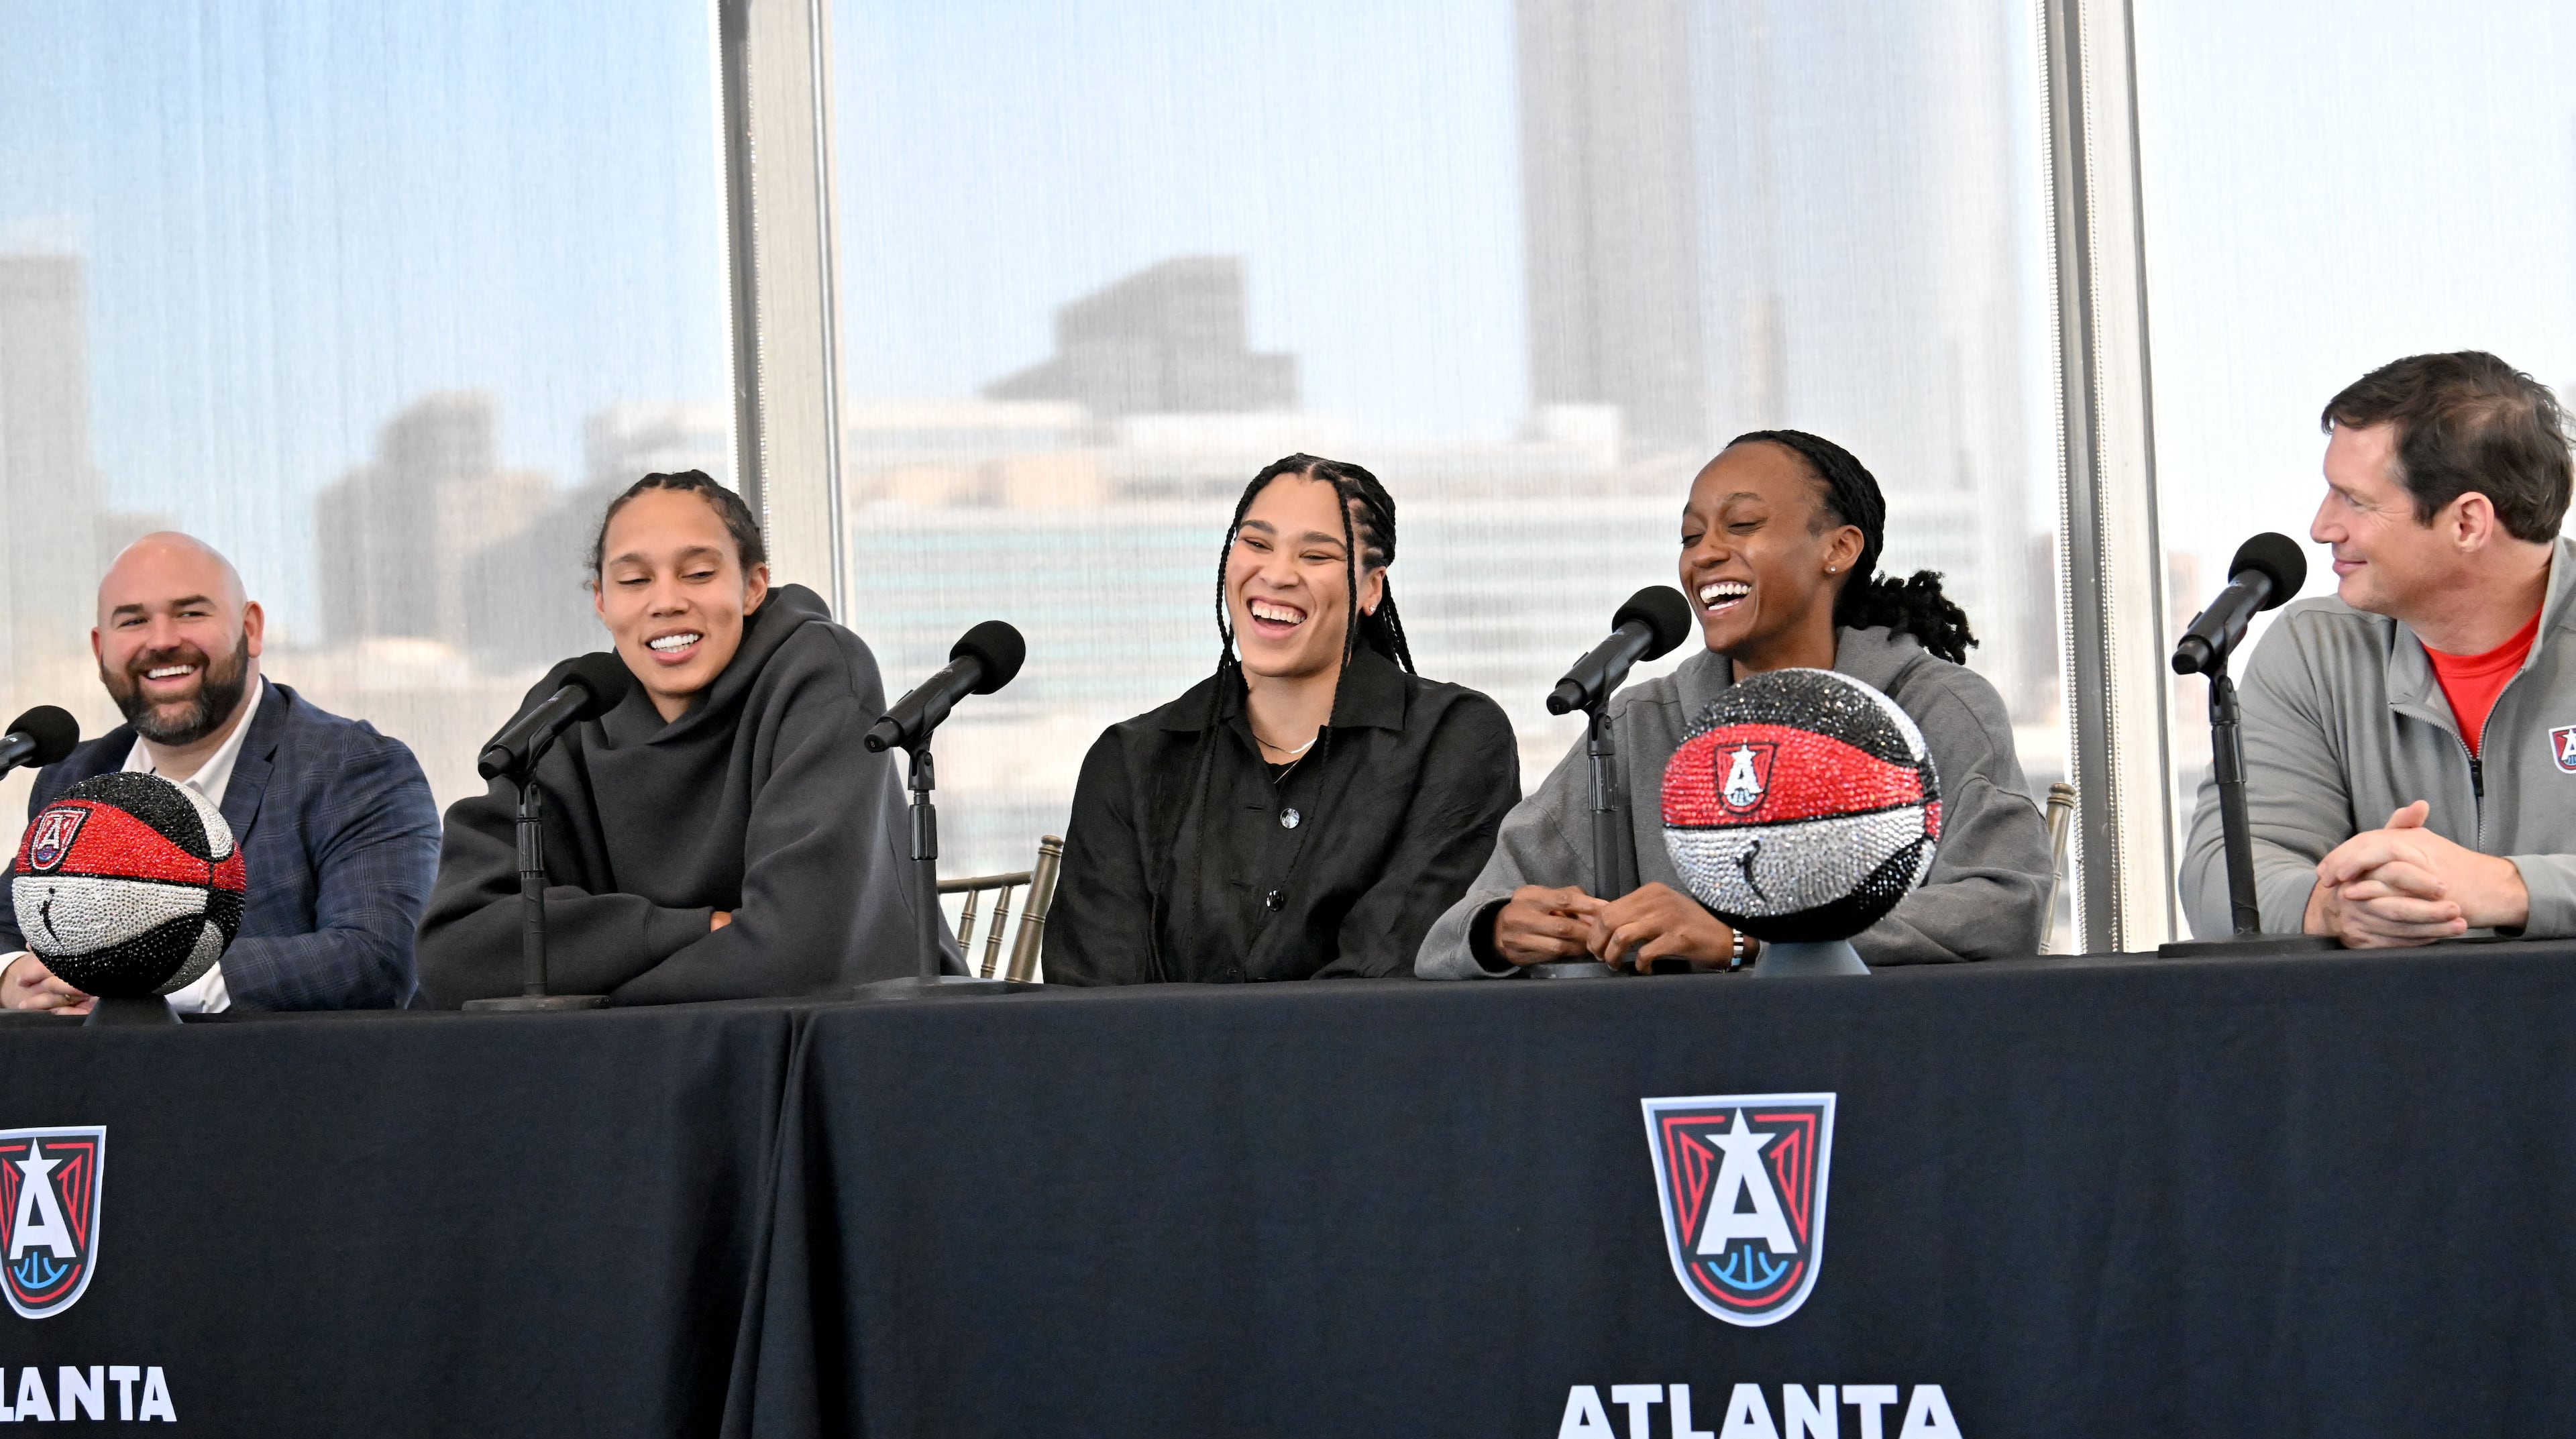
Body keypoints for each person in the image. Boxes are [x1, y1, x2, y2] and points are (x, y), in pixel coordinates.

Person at [1417, 430, 2051, 977]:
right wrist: (1500, 931)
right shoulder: (1639, 723)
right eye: (1692, 536)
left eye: (1742, 525)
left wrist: (1749, 944)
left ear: (1839, 548)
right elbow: (1453, 933)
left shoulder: (1937, 707)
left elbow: (2002, 907)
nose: (1705, 554)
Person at [415, 470, 932, 1005]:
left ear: (752, 586)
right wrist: (697, 930)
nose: (666, 601)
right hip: (638, 1064)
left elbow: (797, 952)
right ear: (602, 602)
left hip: (842, 1046)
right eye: (634, 581)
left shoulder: (817, 670)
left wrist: (591, 998)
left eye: (699, 573)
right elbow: (455, 951)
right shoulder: (571, 705)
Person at [1046, 454, 1519, 983]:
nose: (1275, 574)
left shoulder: (1454, 739)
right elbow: (1094, 997)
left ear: (1370, 589)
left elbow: (1391, 972)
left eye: (1316, 555)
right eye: (1256, 543)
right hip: (1158, 1067)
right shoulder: (1131, 758)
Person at [2180, 350, 2576, 946]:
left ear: (2467, 523)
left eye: (2355, 501)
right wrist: (2333, 908)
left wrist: (2507, 888)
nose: (2321, 527)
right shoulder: (2313, 651)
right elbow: (2222, 867)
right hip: (2390, 1033)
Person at [0, 533, 440, 1014]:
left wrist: (136, 982)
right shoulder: (76, 775)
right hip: (87, 1086)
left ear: (250, 628)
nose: (162, 640)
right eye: (133, 620)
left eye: (190, 613)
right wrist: (12, 975)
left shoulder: (352, 767)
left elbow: (375, 959)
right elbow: (8, 926)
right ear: (100, 648)